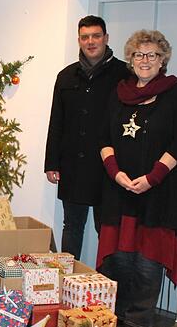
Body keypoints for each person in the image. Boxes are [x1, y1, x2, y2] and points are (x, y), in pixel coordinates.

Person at [96, 29, 177, 327]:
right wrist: (116, 174)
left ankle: (139, 320)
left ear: (162, 59)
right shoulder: (118, 93)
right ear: (131, 58)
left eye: (152, 54)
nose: (145, 60)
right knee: (121, 256)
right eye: (139, 54)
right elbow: (104, 138)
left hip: (159, 191)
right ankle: (118, 313)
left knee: (147, 259)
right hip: (120, 188)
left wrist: (151, 179)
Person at [44, 15, 129, 260]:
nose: (91, 41)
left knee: (108, 230)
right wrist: (52, 163)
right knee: (71, 228)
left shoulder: (124, 74)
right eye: (85, 37)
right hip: (74, 166)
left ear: (106, 38)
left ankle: (104, 284)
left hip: (110, 167)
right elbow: (56, 121)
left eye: (96, 36)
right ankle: (67, 283)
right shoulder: (66, 76)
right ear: (79, 40)